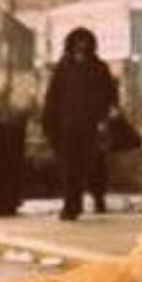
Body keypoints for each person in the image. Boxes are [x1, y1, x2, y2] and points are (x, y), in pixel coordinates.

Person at [41, 27, 119, 219]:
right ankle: (72, 205)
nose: (81, 46)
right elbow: (53, 97)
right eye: (78, 42)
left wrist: (105, 118)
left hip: (92, 126)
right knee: (70, 168)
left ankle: (98, 196)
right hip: (68, 127)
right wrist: (49, 122)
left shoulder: (99, 68)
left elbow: (110, 94)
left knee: (94, 165)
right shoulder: (64, 68)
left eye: (85, 42)